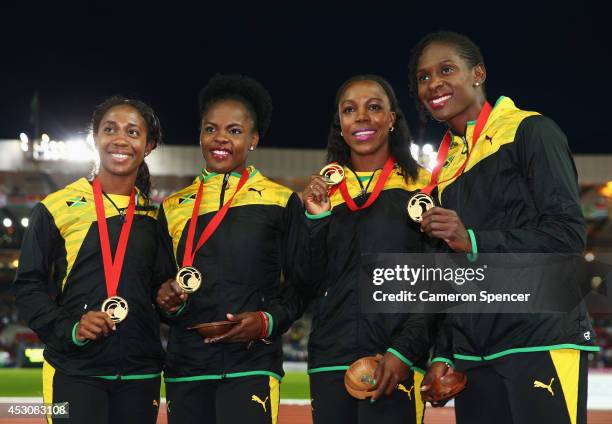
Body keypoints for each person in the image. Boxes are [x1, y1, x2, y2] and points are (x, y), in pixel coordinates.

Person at [409, 31, 598, 424]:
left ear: (478, 73)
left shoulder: (531, 131)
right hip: (474, 356)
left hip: (538, 338)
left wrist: (474, 240)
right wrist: (444, 352)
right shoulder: (443, 173)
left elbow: (567, 236)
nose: (433, 84)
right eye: (423, 77)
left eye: (446, 70)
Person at [155, 74, 304, 424]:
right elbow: (159, 288)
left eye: (234, 131)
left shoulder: (280, 201)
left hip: (251, 364)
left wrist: (268, 322)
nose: (220, 138)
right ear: (200, 135)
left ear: (254, 139)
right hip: (186, 365)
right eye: (211, 129)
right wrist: (167, 302)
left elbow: (301, 283)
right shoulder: (174, 206)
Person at [13, 96, 164, 424]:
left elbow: (159, 292)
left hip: (140, 376)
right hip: (73, 371)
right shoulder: (55, 206)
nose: (121, 139)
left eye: (133, 132)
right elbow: (28, 286)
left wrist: (172, 297)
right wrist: (70, 328)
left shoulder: (156, 216)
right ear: (94, 138)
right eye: (110, 129)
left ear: (149, 145)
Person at [299, 74, 435, 424]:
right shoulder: (324, 193)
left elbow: (438, 281)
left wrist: (404, 351)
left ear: (391, 119)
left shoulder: (425, 185)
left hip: (395, 360)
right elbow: (307, 281)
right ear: (340, 123)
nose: (361, 117)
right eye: (349, 110)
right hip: (330, 359)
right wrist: (314, 222)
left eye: (374, 107)